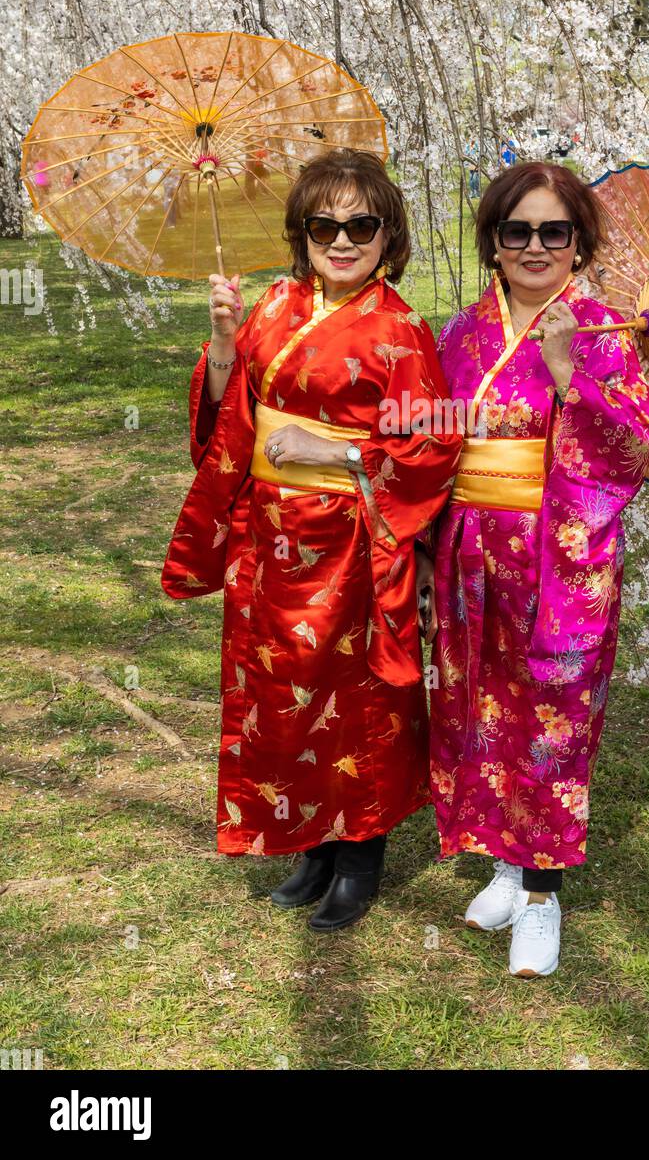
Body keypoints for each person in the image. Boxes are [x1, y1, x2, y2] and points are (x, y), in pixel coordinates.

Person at [162, 149, 462, 931]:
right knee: (281, 693)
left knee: (359, 701)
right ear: (301, 231)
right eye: (323, 223)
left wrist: (339, 453)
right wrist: (225, 343)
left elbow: (428, 450)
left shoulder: (401, 329)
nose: (341, 238)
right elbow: (231, 421)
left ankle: (360, 856)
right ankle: (311, 844)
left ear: (387, 234)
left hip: (354, 543)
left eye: (360, 224)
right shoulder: (273, 305)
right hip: (270, 541)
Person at [416, 161, 649, 977]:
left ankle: (542, 897)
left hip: (562, 559)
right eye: (515, 230)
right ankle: (506, 863)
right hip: (472, 553)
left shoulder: (603, 332)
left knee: (551, 720)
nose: (534, 246)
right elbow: (431, 435)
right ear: (492, 241)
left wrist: (567, 374)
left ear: (578, 243)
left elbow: (634, 446)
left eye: (553, 231)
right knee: (481, 711)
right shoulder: (460, 333)